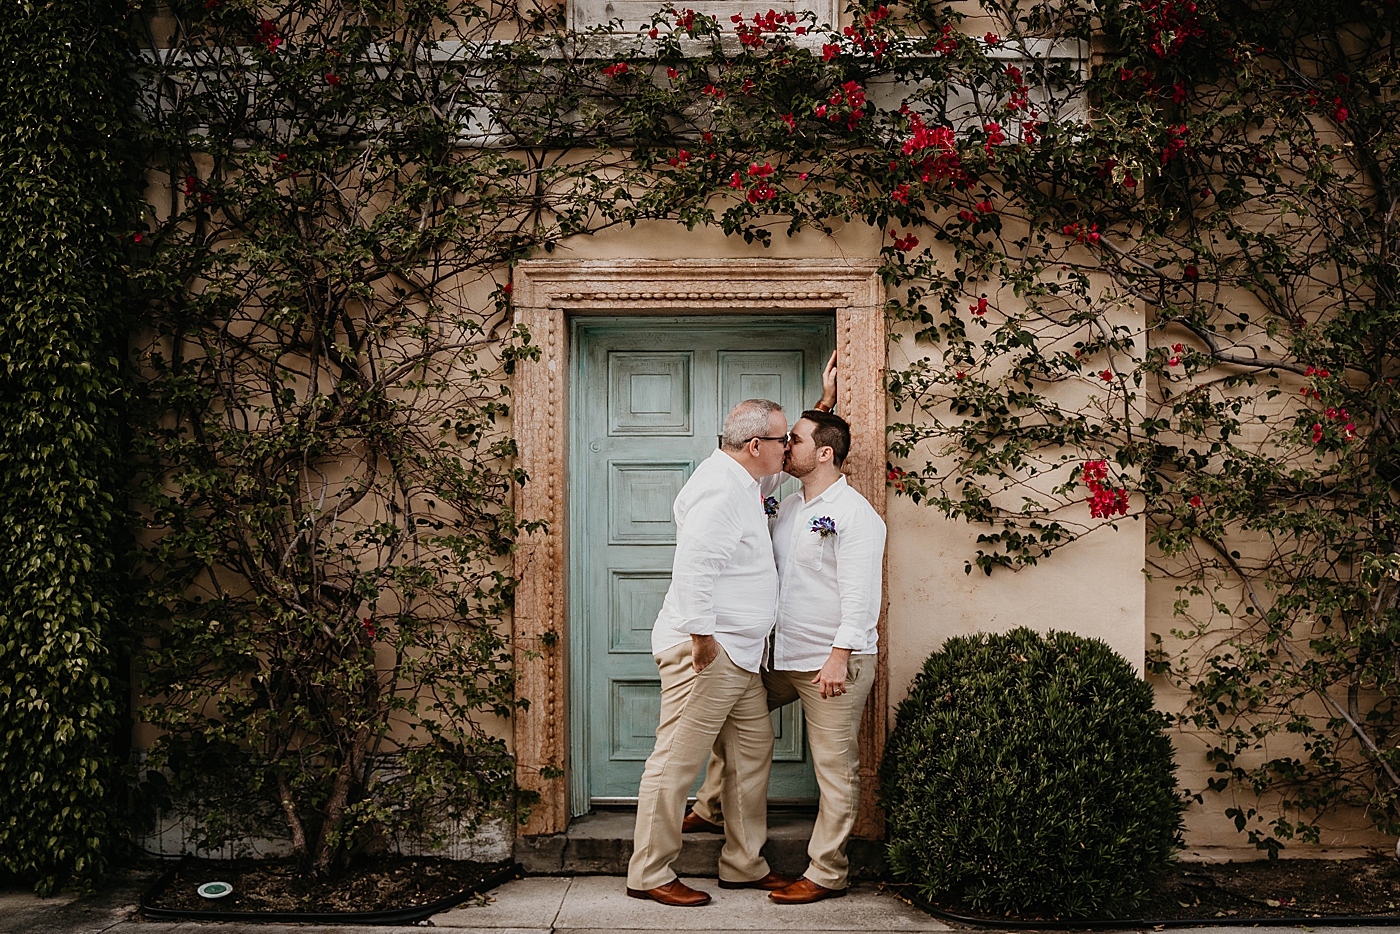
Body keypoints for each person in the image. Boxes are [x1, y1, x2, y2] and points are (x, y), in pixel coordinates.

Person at [684, 408, 886, 904]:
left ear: (822, 453)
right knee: (731, 714)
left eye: (791, 440)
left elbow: (862, 597)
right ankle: (711, 807)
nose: (781, 447)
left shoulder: (857, 515)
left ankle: (826, 872)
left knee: (835, 770)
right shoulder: (788, 505)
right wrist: (823, 399)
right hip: (778, 658)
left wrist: (840, 655)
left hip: (830, 664)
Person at [622, 399, 800, 907]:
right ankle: (649, 873)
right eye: (782, 440)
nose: (788, 449)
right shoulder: (721, 490)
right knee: (675, 762)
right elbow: (694, 567)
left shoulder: (744, 480)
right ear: (755, 446)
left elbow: (771, 480)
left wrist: (824, 403)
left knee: (751, 752)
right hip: (708, 650)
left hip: (740, 653)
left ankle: (744, 865)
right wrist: (702, 639)